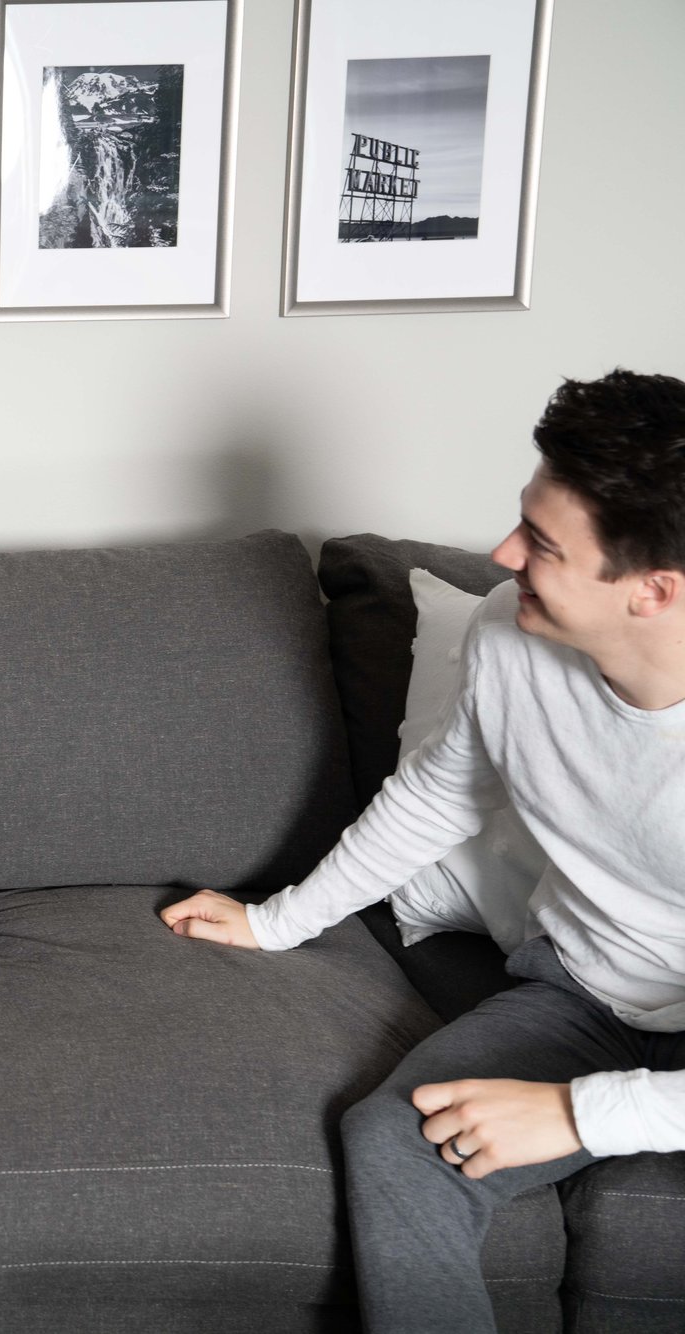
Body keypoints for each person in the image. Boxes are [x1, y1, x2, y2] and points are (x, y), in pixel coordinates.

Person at [161, 370, 685, 1332]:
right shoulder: (510, 635)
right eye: (522, 519)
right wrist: (276, 923)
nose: (502, 552)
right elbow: (439, 798)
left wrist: (582, 1114)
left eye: (544, 545)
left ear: (654, 590)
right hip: (581, 992)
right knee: (395, 1140)